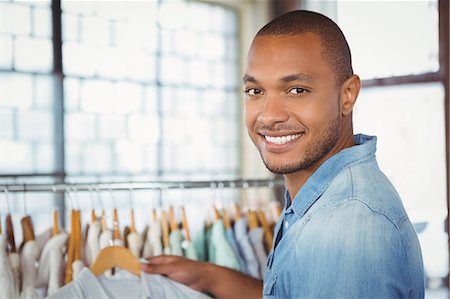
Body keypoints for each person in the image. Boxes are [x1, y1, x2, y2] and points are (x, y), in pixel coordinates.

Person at [141, 10, 425, 299]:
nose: (269, 116)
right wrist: (210, 277)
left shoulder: (346, 226)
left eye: (296, 90)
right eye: (255, 91)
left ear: (347, 95)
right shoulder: (321, 197)